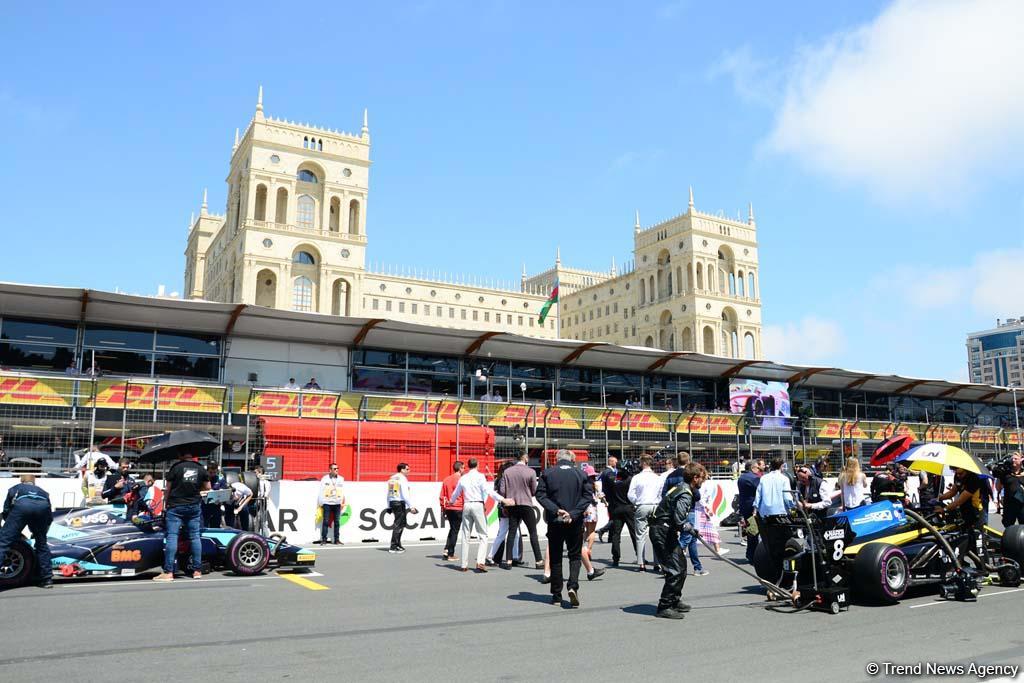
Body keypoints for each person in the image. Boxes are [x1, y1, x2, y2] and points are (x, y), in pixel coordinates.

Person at [535, 449, 595, 607]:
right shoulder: (581, 474)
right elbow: (588, 496)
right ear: (572, 459)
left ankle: (556, 594)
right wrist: (574, 513)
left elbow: (540, 495)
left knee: (555, 557)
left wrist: (556, 510)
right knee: (575, 556)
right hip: (574, 521)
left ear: (556, 459)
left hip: (555, 520)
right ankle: (573, 586)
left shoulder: (548, 473)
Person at [649, 463, 706, 618]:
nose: (703, 481)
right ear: (695, 478)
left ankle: (674, 600)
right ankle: (664, 606)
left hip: (664, 530)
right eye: (702, 478)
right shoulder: (686, 493)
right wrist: (690, 528)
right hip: (662, 531)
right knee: (674, 569)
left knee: (681, 566)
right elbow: (679, 519)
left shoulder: (681, 486)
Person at [153, 449, 211, 582]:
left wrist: (164, 504)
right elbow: (208, 487)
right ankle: (197, 571)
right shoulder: (200, 468)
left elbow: (168, 489)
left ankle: (168, 572)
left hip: (176, 506)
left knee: (172, 536)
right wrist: (197, 489)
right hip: (194, 506)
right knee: (195, 536)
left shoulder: (175, 468)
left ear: (180, 455)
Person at [450, 458, 508, 572]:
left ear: (468, 466)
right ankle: (480, 562)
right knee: (483, 535)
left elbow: (455, 493)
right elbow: (489, 491)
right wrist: (502, 499)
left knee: (465, 535)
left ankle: (463, 564)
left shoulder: (463, 477)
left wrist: (451, 501)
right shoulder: (480, 476)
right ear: (477, 465)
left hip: (466, 505)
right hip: (477, 505)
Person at [0, 475, 53, 588]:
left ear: (22, 481)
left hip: (22, 507)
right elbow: (49, 516)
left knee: (3, 543)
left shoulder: (16, 488)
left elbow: (6, 509)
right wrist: (41, 532)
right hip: (42, 509)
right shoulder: (44, 492)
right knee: (41, 544)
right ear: (34, 482)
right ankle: (47, 579)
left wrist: (9, 527)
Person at [754, 457, 795, 597]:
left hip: (765, 516)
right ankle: (784, 580)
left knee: (771, 548)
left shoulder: (764, 478)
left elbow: (757, 496)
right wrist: (793, 508)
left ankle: (775, 578)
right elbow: (787, 498)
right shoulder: (784, 479)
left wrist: (756, 511)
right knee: (785, 547)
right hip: (780, 515)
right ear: (782, 466)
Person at [499, 452, 544, 569]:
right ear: (525, 458)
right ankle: (539, 560)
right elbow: (534, 491)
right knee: (533, 533)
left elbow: (502, 491)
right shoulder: (531, 472)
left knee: (512, 532)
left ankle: (508, 560)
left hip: (512, 505)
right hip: (526, 504)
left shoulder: (507, 472)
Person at [627, 455, 662, 571]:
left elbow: (630, 494)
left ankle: (641, 563)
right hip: (655, 506)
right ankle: (657, 563)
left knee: (640, 535)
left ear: (643, 463)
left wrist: (637, 502)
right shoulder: (658, 478)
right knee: (656, 535)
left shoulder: (636, 477)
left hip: (642, 505)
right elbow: (661, 494)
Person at [606, 462, 637, 567]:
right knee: (634, 532)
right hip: (628, 508)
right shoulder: (630, 480)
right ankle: (639, 556)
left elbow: (608, 493)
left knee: (616, 534)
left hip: (616, 508)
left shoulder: (613, 480)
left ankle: (616, 558)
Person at [580, 465, 606, 581]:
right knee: (592, 530)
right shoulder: (595, 485)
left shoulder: (582, 485)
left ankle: (582, 545)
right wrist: (605, 502)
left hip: (585, 509)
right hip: (593, 508)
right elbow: (600, 496)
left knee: (586, 529)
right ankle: (588, 549)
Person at [386, 463, 417, 553]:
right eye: (407, 469)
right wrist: (411, 507)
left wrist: (388, 505)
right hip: (399, 502)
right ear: (402, 470)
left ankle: (398, 544)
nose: (409, 471)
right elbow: (405, 494)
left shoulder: (392, 478)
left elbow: (389, 493)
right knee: (399, 524)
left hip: (393, 502)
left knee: (401, 524)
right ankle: (393, 546)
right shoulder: (403, 479)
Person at [737, 459, 763, 562]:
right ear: (752, 468)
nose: (759, 469)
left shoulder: (742, 477)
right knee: (754, 533)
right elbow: (761, 491)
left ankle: (750, 554)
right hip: (753, 508)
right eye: (757, 467)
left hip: (745, 507)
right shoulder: (755, 478)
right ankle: (753, 555)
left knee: (751, 532)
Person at [439, 461, 464, 561]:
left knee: (452, 529)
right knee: (455, 531)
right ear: (460, 468)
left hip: (449, 508)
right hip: (458, 507)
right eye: (463, 468)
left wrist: (443, 509)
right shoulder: (461, 480)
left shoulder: (446, 479)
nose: (464, 470)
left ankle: (446, 549)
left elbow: (442, 496)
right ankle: (450, 553)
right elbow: (463, 495)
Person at [696, 477, 727, 556]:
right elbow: (700, 498)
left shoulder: (704, 485)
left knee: (711, 530)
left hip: (701, 511)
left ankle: (718, 549)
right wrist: (707, 507)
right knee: (692, 533)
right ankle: (717, 549)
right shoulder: (698, 486)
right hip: (699, 511)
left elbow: (705, 498)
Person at [318, 464, 346, 545]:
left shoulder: (341, 479)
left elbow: (342, 491)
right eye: (335, 468)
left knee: (337, 522)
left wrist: (341, 502)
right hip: (327, 503)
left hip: (337, 503)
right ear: (330, 470)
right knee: (326, 521)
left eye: (337, 468)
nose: (337, 470)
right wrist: (321, 502)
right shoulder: (325, 478)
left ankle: (336, 540)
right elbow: (321, 491)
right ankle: (324, 539)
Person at [995, 453, 1024, 527]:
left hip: (1022, 504)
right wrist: (999, 476)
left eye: (1015, 459)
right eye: (1012, 459)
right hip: (1009, 504)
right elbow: (998, 488)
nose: (1013, 460)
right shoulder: (1006, 473)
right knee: (1008, 525)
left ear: (1021, 460)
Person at [596, 455, 619, 543]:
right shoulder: (609, 472)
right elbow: (613, 486)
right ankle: (602, 530)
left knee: (613, 516)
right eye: (615, 462)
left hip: (608, 497)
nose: (616, 464)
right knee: (615, 517)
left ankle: (610, 537)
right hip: (612, 498)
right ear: (611, 462)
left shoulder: (604, 471)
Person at [201, 463, 226, 528]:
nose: (212, 474)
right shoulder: (202, 479)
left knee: (215, 527)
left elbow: (224, 492)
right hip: (204, 507)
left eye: (214, 472)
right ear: (207, 471)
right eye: (210, 472)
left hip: (216, 506)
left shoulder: (220, 479)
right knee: (203, 526)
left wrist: (221, 496)